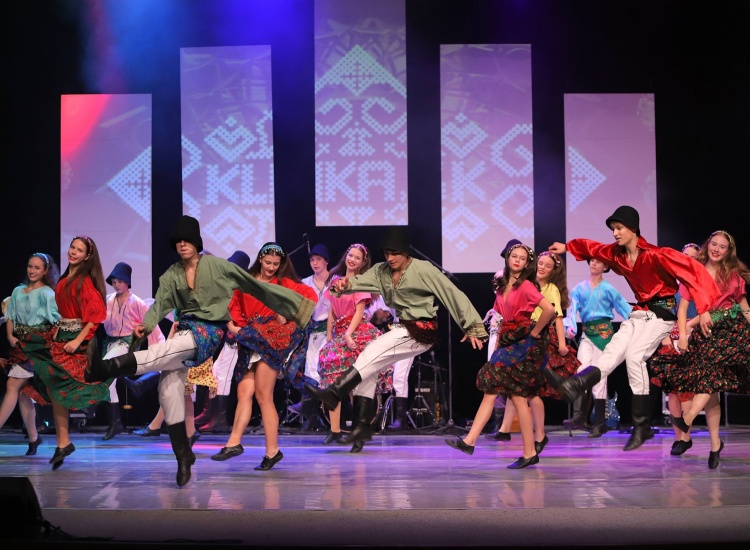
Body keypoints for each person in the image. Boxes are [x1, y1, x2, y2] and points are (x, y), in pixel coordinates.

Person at [85, 216, 316, 486]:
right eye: (178, 241)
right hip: (194, 331)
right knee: (169, 388)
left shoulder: (217, 267)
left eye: (188, 240)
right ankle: (184, 455)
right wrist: (146, 325)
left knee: (181, 352)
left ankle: (107, 367)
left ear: (197, 243)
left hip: (208, 332)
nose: (183, 244)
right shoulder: (171, 274)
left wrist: (295, 308)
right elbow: (160, 305)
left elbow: (255, 286)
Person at [544, 205, 720, 451]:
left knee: (635, 357)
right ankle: (574, 386)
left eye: (619, 228)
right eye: (613, 229)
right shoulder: (617, 255)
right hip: (640, 313)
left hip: (662, 314)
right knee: (612, 352)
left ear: (633, 228)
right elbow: (593, 248)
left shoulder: (657, 255)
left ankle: (641, 425)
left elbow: (694, 273)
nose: (615, 233)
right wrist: (568, 247)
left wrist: (704, 308)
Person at [306, 226, 487, 453]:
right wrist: (344, 286)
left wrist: (472, 326)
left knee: (371, 352)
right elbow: (357, 282)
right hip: (402, 328)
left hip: (421, 330)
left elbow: (451, 293)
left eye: (395, 253)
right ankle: (361, 429)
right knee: (369, 371)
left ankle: (334, 392)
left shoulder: (423, 269)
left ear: (406, 252)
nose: (390, 258)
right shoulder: (381, 271)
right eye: (387, 253)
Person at [445, 243, 556, 469]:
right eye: (514, 256)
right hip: (507, 341)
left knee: (513, 394)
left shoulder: (526, 286)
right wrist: (486, 338)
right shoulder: (502, 285)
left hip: (522, 342)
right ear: (507, 258)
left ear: (527, 264)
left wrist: (535, 333)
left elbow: (549, 310)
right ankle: (474, 442)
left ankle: (524, 451)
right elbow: (498, 316)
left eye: (522, 258)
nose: (517, 260)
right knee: (504, 393)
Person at [211, 242, 317, 470]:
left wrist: (286, 315)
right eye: (268, 263)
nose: (270, 267)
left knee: (263, 395)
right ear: (260, 259)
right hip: (250, 339)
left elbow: (309, 296)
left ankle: (272, 451)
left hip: (270, 342)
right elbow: (233, 304)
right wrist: (235, 326)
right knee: (243, 392)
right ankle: (234, 443)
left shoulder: (283, 283)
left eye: (275, 264)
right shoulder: (246, 281)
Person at [650, 230, 750, 468]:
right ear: (708, 245)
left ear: (728, 251)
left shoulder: (732, 274)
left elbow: (743, 306)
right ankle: (715, 445)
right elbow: (683, 308)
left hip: (729, 333)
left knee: (709, 381)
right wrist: (683, 336)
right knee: (710, 390)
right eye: (714, 244)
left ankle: (687, 417)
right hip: (704, 335)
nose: (717, 249)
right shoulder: (695, 272)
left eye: (722, 247)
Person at [31, 236, 110, 469]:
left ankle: (63, 442)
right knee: (54, 389)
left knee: (59, 389)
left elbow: (95, 317)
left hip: (76, 340)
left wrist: (77, 340)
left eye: (79, 250)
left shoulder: (85, 282)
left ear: (87, 256)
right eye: (72, 247)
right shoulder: (65, 280)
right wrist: (57, 331)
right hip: (61, 337)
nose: (73, 252)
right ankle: (63, 442)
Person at [316, 243, 381, 446]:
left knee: (356, 386)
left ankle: (358, 432)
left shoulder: (361, 283)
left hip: (357, 333)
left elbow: (359, 311)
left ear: (363, 262)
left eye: (357, 257)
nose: (352, 259)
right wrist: (329, 336)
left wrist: (348, 334)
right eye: (350, 255)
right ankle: (335, 430)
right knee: (333, 382)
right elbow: (332, 311)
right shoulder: (336, 281)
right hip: (339, 334)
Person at [563, 258, 632, 437]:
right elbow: (572, 311)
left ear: (605, 266)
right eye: (591, 260)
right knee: (581, 371)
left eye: (598, 262)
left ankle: (599, 423)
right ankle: (579, 417)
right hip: (587, 334)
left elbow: (625, 309)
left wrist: (636, 324)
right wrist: (570, 327)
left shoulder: (609, 289)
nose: (593, 264)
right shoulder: (579, 288)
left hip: (604, 335)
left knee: (599, 378)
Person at [0, 253, 61, 455]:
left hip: (38, 346)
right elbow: (11, 316)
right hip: (20, 344)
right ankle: (34, 438)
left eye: (37, 268)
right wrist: (10, 335)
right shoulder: (18, 291)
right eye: (30, 266)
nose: (32, 271)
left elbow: (57, 321)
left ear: (45, 271)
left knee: (12, 385)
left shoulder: (47, 293)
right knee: (23, 393)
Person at [100, 262, 165, 440]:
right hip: (110, 343)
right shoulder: (108, 300)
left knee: (105, 369)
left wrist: (158, 349)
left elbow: (151, 325)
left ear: (127, 282)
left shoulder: (137, 303)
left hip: (127, 343)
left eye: (120, 281)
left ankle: (94, 407)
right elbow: (98, 319)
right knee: (109, 381)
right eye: (114, 282)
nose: (116, 285)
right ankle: (115, 422)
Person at [193, 250, 251, 434]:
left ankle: (220, 419)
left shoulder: (243, 288)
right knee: (216, 372)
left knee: (223, 376)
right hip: (230, 336)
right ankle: (210, 413)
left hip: (237, 338)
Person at [528, 251, 580, 449]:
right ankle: (507, 430)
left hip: (540, 337)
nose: (542, 267)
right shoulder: (527, 283)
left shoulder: (551, 289)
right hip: (523, 335)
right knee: (521, 391)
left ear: (553, 271)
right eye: (540, 263)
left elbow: (557, 317)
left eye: (547, 266)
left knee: (531, 390)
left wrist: (562, 344)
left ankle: (537, 434)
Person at [295, 243, 332, 433]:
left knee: (326, 371)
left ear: (326, 261)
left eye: (319, 259)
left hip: (332, 331)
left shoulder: (335, 280)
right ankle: (312, 414)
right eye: (312, 260)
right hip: (313, 332)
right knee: (310, 370)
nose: (315, 263)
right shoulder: (305, 283)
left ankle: (322, 413)